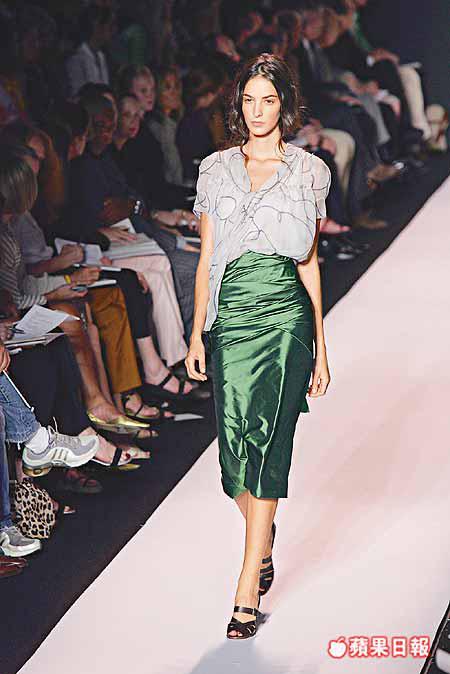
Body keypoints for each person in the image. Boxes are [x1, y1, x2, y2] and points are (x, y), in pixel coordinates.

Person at [185, 53, 331, 639]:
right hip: (232, 314)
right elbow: (206, 258)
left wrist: (321, 345)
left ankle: (246, 583)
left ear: (284, 105)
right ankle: (262, 535)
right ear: (238, 105)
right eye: (249, 100)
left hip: (285, 315)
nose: (258, 110)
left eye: (268, 100)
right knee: (233, 454)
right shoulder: (215, 169)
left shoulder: (310, 171)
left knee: (270, 439)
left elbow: (310, 261)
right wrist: (197, 332)